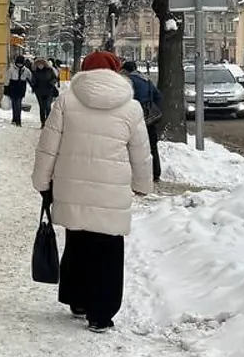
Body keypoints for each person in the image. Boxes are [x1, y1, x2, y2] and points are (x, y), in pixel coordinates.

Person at [30, 50, 152, 333]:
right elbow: (141, 153)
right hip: (111, 192)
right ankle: (101, 313)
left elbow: (48, 146)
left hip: (72, 188)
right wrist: (142, 185)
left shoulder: (66, 102)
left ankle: (78, 299)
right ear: (115, 71)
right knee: (108, 252)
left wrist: (41, 181)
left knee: (78, 242)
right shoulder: (131, 108)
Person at [121, 58, 163, 188]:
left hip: (136, 117)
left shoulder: (129, 81)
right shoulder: (146, 79)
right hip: (149, 118)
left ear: (126, 71)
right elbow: (158, 96)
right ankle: (156, 172)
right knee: (152, 145)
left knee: (136, 146)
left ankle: (137, 175)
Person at [30, 56, 60, 127]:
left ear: (44, 64)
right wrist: (34, 84)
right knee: (42, 107)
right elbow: (33, 80)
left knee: (47, 106)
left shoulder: (49, 70)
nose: (40, 66)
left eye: (41, 64)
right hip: (39, 91)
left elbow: (55, 78)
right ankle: (43, 122)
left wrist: (52, 83)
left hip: (48, 91)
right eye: (38, 64)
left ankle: (48, 122)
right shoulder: (35, 72)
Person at [3, 55, 33, 126]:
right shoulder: (11, 69)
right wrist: (6, 88)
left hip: (21, 88)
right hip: (13, 87)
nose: (20, 64)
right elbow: (7, 79)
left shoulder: (26, 70)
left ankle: (18, 120)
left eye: (21, 63)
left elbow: (30, 78)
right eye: (18, 63)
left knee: (18, 104)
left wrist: (33, 86)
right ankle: (14, 118)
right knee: (14, 104)